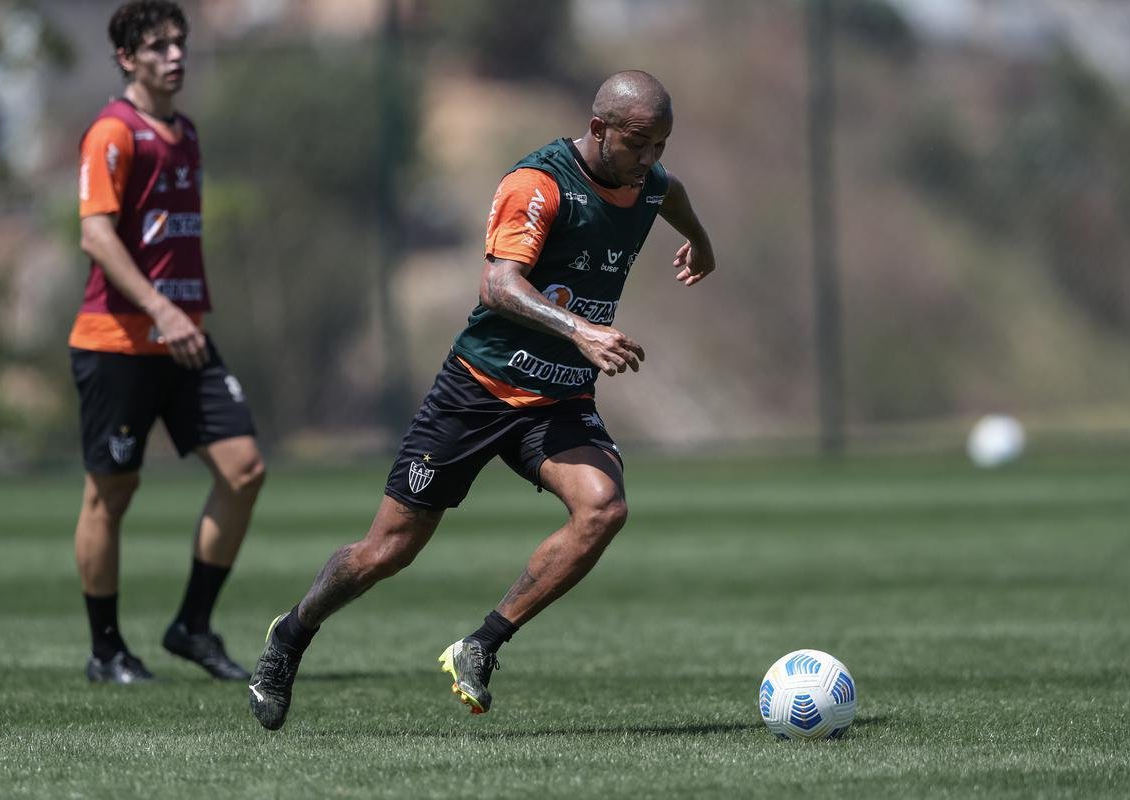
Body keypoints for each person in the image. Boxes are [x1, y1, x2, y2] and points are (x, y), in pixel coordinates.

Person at [248, 70, 714, 728]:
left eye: (660, 145)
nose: (650, 159)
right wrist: (580, 330)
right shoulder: (539, 183)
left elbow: (672, 193)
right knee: (387, 551)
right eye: (638, 144)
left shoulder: (650, 182)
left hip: (557, 400)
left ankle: (482, 644)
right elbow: (497, 285)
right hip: (477, 390)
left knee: (603, 509)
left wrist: (701, 241)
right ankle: (291, 635)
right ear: (599, 128)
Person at [70, 0, 264, 684]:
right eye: (157, 46)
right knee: (111, 493)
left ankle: (192, 627)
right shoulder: (112, 133)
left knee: (244, 470)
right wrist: (160, 309)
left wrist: (181, 316)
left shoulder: (186, 133)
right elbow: (96, 236)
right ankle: (106, 651)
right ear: (127, 58)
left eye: (179, 42)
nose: (175, 55)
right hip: (117, 342)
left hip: (185, 340)